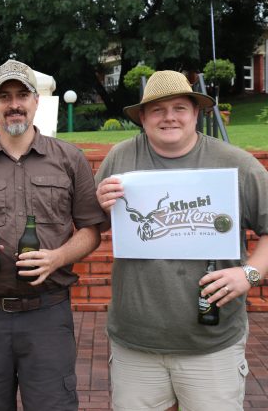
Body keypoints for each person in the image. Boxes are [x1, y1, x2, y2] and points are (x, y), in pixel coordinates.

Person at [95, 70, 268, 411]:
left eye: (179, 107)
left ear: (196, 113)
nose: (169, 116)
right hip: (135, 345)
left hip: (212, 345)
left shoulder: (236, 164)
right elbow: (93, 224)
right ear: (142, 117)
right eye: (158, 109)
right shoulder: (121, 158)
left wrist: (248, 274)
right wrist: (100, 203)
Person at [0, 60, 106, 411]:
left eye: (22, 95)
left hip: (47, 315)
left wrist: (57, 258)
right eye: (4, 96)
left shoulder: (70, 159)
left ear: (36, 101)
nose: (13, 103)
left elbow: (92, 230)